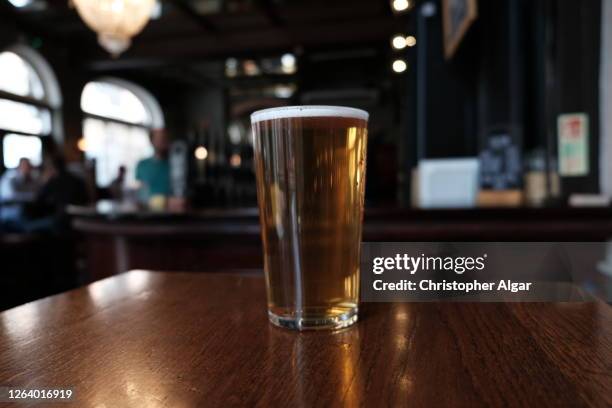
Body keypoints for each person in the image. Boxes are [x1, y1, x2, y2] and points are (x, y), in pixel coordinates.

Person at [0, 158, 40, 229]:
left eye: (29, 166)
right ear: (19, 166)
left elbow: (38, 192)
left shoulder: (30, 178)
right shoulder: (10, 177)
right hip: (9, 213)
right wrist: (31, 196)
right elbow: (10, 196)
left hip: (25, 211)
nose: (28, 168)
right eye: (25, 165)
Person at [135, 129, 170, 201]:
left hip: (174, 209)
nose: (162, 142)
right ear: (151, 141)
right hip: (149, 209)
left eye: (164, 139)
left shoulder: (175, 165)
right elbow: (140, 192)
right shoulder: (142, 165)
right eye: (159, 139)